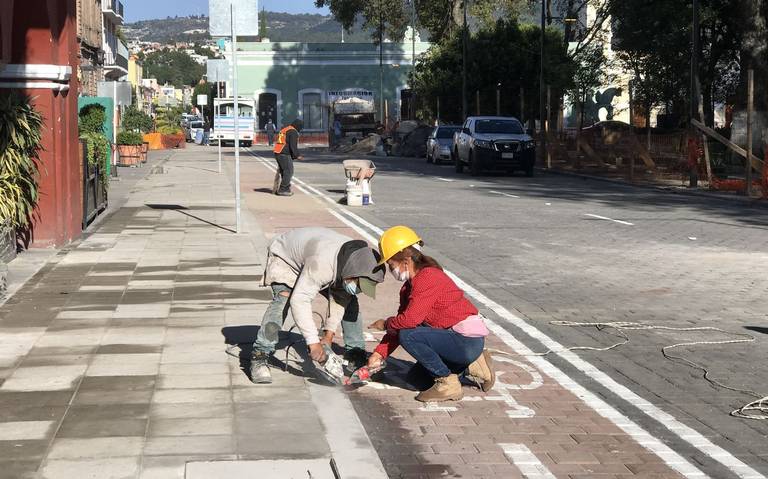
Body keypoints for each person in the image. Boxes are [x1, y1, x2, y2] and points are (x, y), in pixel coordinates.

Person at [367, 226, 495, 402]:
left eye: (391, 265)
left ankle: (448, 384)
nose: (391, 271)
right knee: (416, 379)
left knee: (409, 335)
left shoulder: (428, 277)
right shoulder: (408, 287)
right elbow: (400, 324)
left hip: (466, 341)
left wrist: (385, 323)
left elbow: (409, 321)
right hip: (452, 339)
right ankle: (472, 366)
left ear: (406, 260)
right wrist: (379, 354)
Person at [250, 227, 385, 384]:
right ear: (352, 273)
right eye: (359, 284)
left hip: (316, 258)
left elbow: (340, 299)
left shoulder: (354, 261)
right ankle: (259, 355)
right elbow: (300, 299)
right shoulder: (322, 265)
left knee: (350, 301)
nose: (359, 289)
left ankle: (355, 355)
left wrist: (328, 337)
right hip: (285, 258)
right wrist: (313, 343)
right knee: (284, 300)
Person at [272, 119, 304, 196]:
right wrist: (297, 155)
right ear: (298, 126)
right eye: (301, 127)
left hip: (278, 152)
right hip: (284, 153)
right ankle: (283, 189)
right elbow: (293, 145)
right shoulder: (293, 131)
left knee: (284, 171)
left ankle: (285, 188)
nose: (301, 129)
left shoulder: (286, 129)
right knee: (289, 171)